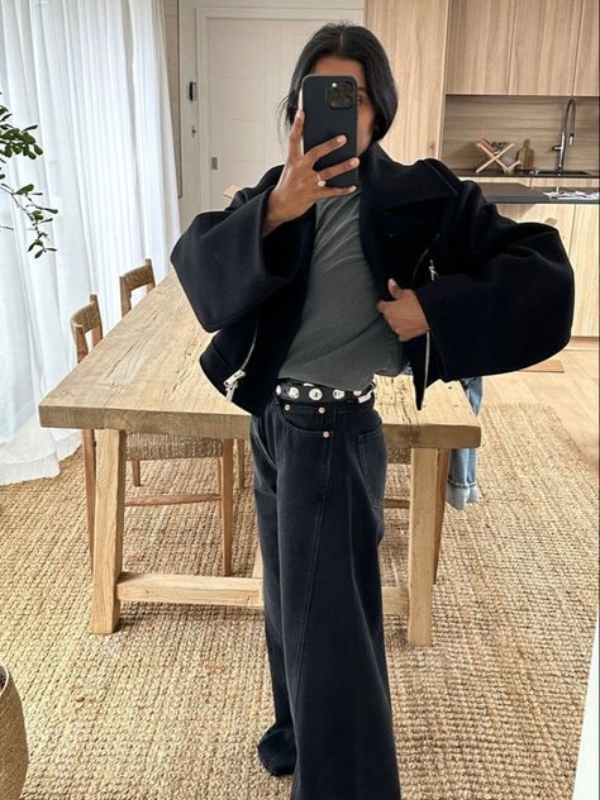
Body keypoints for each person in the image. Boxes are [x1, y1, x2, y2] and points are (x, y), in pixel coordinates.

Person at [171, 22, 574, 800]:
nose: (334, 111)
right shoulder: (276, 191)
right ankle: (299, 736)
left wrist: (434, 310)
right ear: (296, 109)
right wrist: (276, 209)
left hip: (332, 429)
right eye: (317, 95)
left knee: (333, 632)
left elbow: (545, 273)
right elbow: (201, 275)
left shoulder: (420, 192)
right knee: (291, 607)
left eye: (350, 96)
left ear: (377, 108)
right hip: (273, 426)